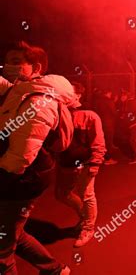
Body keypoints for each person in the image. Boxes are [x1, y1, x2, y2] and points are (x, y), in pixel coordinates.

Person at [0, 41, 72, 274]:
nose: (8, 67)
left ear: (37, 67)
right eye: (6, 61)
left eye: (16, 62)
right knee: (15, 233)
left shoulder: (40, 100)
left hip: (20, 179)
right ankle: (54, 269)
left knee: (2, 247)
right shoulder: (21, 89)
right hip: (22, 176)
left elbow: (20, 158)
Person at [55, 82, 106, 247]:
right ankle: (84, 217)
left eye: (70, 92)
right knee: (62, 194)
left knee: (87, 194)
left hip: (84, 163)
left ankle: (88, 228)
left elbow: (98, 141)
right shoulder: (59, 113)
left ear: (78, 96)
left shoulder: (89, 115)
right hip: (65, 162)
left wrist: (96, 162)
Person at [117, 90, 136, 164]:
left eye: (123, 95)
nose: (121, 97)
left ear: (127, 96)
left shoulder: (130, 102)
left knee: (134, 141)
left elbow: (129, 114)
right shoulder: (130, 102)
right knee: (134, 140)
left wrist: (126, 118)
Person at [93, 89, 118, 165]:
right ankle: (108, 158)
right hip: (108, 124)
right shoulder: (109, 101)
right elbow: (114, 112)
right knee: (108, 142)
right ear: (109, 92)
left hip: (100, 123)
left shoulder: (98, 101)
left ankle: (101, 157)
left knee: (101, 141)